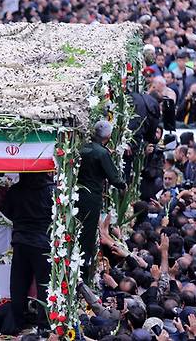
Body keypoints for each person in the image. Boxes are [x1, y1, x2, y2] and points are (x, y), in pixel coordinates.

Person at [1, 173, 53, 334]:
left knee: (18, 284)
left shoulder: (15, 190)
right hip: (43, 243)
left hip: (21, 241)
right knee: (44, 285)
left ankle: (17, 321)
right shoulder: (51, 191)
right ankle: (44, 323)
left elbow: (5, 210)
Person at [76, 120, 126, 281]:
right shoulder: (101, 153)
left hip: (77, 195)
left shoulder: (83, 148)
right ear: (109, 136)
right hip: (91, 198)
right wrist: (123, 184)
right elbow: (115, 179)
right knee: (87, 235)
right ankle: (83, 273)